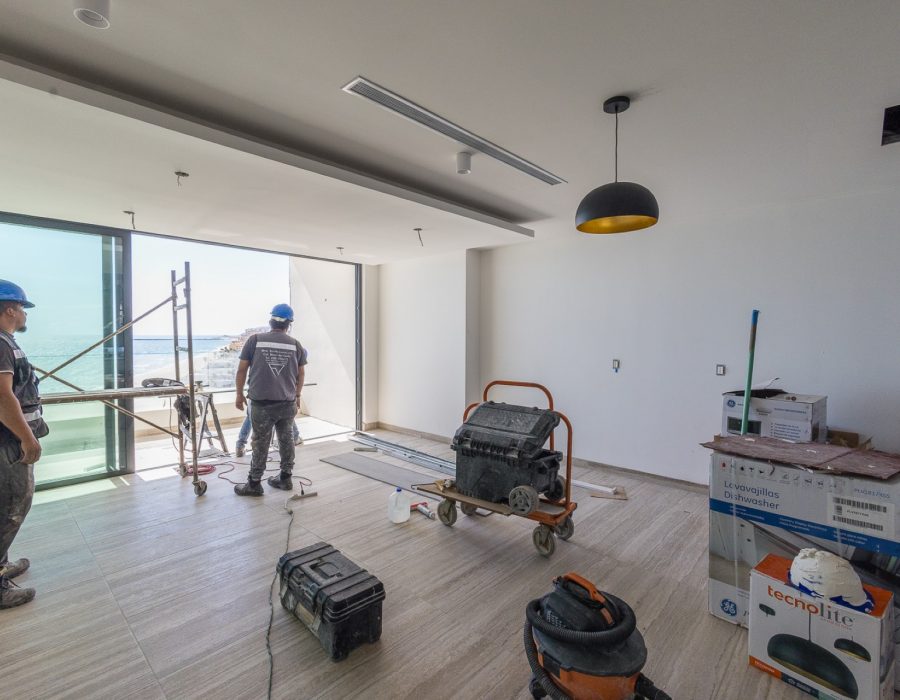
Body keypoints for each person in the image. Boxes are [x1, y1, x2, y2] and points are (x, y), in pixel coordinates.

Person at [0, 280, 48, 609]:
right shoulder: (2, 344)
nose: (25, 315)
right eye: (22, 309)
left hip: (8, 438)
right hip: (8, 441)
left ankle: (2, 564)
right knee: (13, 509)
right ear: (10, 310)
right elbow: (3, 397)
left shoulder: (7, 343)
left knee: (5, 507)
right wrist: (27, 438)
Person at [233, 303, 307, 496]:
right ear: (289, 324)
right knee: (286, 440)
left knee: (260, 443)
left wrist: (239, 394)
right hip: (287, 403)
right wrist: (298, 396)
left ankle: (254, 484)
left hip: (262, 404)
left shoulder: (255, 340)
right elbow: (301, 374)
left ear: (270, 321)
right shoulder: (295, 345)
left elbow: (242, 370)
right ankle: (285, 478)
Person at [234, 402, 302, 458]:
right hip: (274, 396)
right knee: (285, 413)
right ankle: (295, 437)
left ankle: (240, 446)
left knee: (250, 416)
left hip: (255, 395)